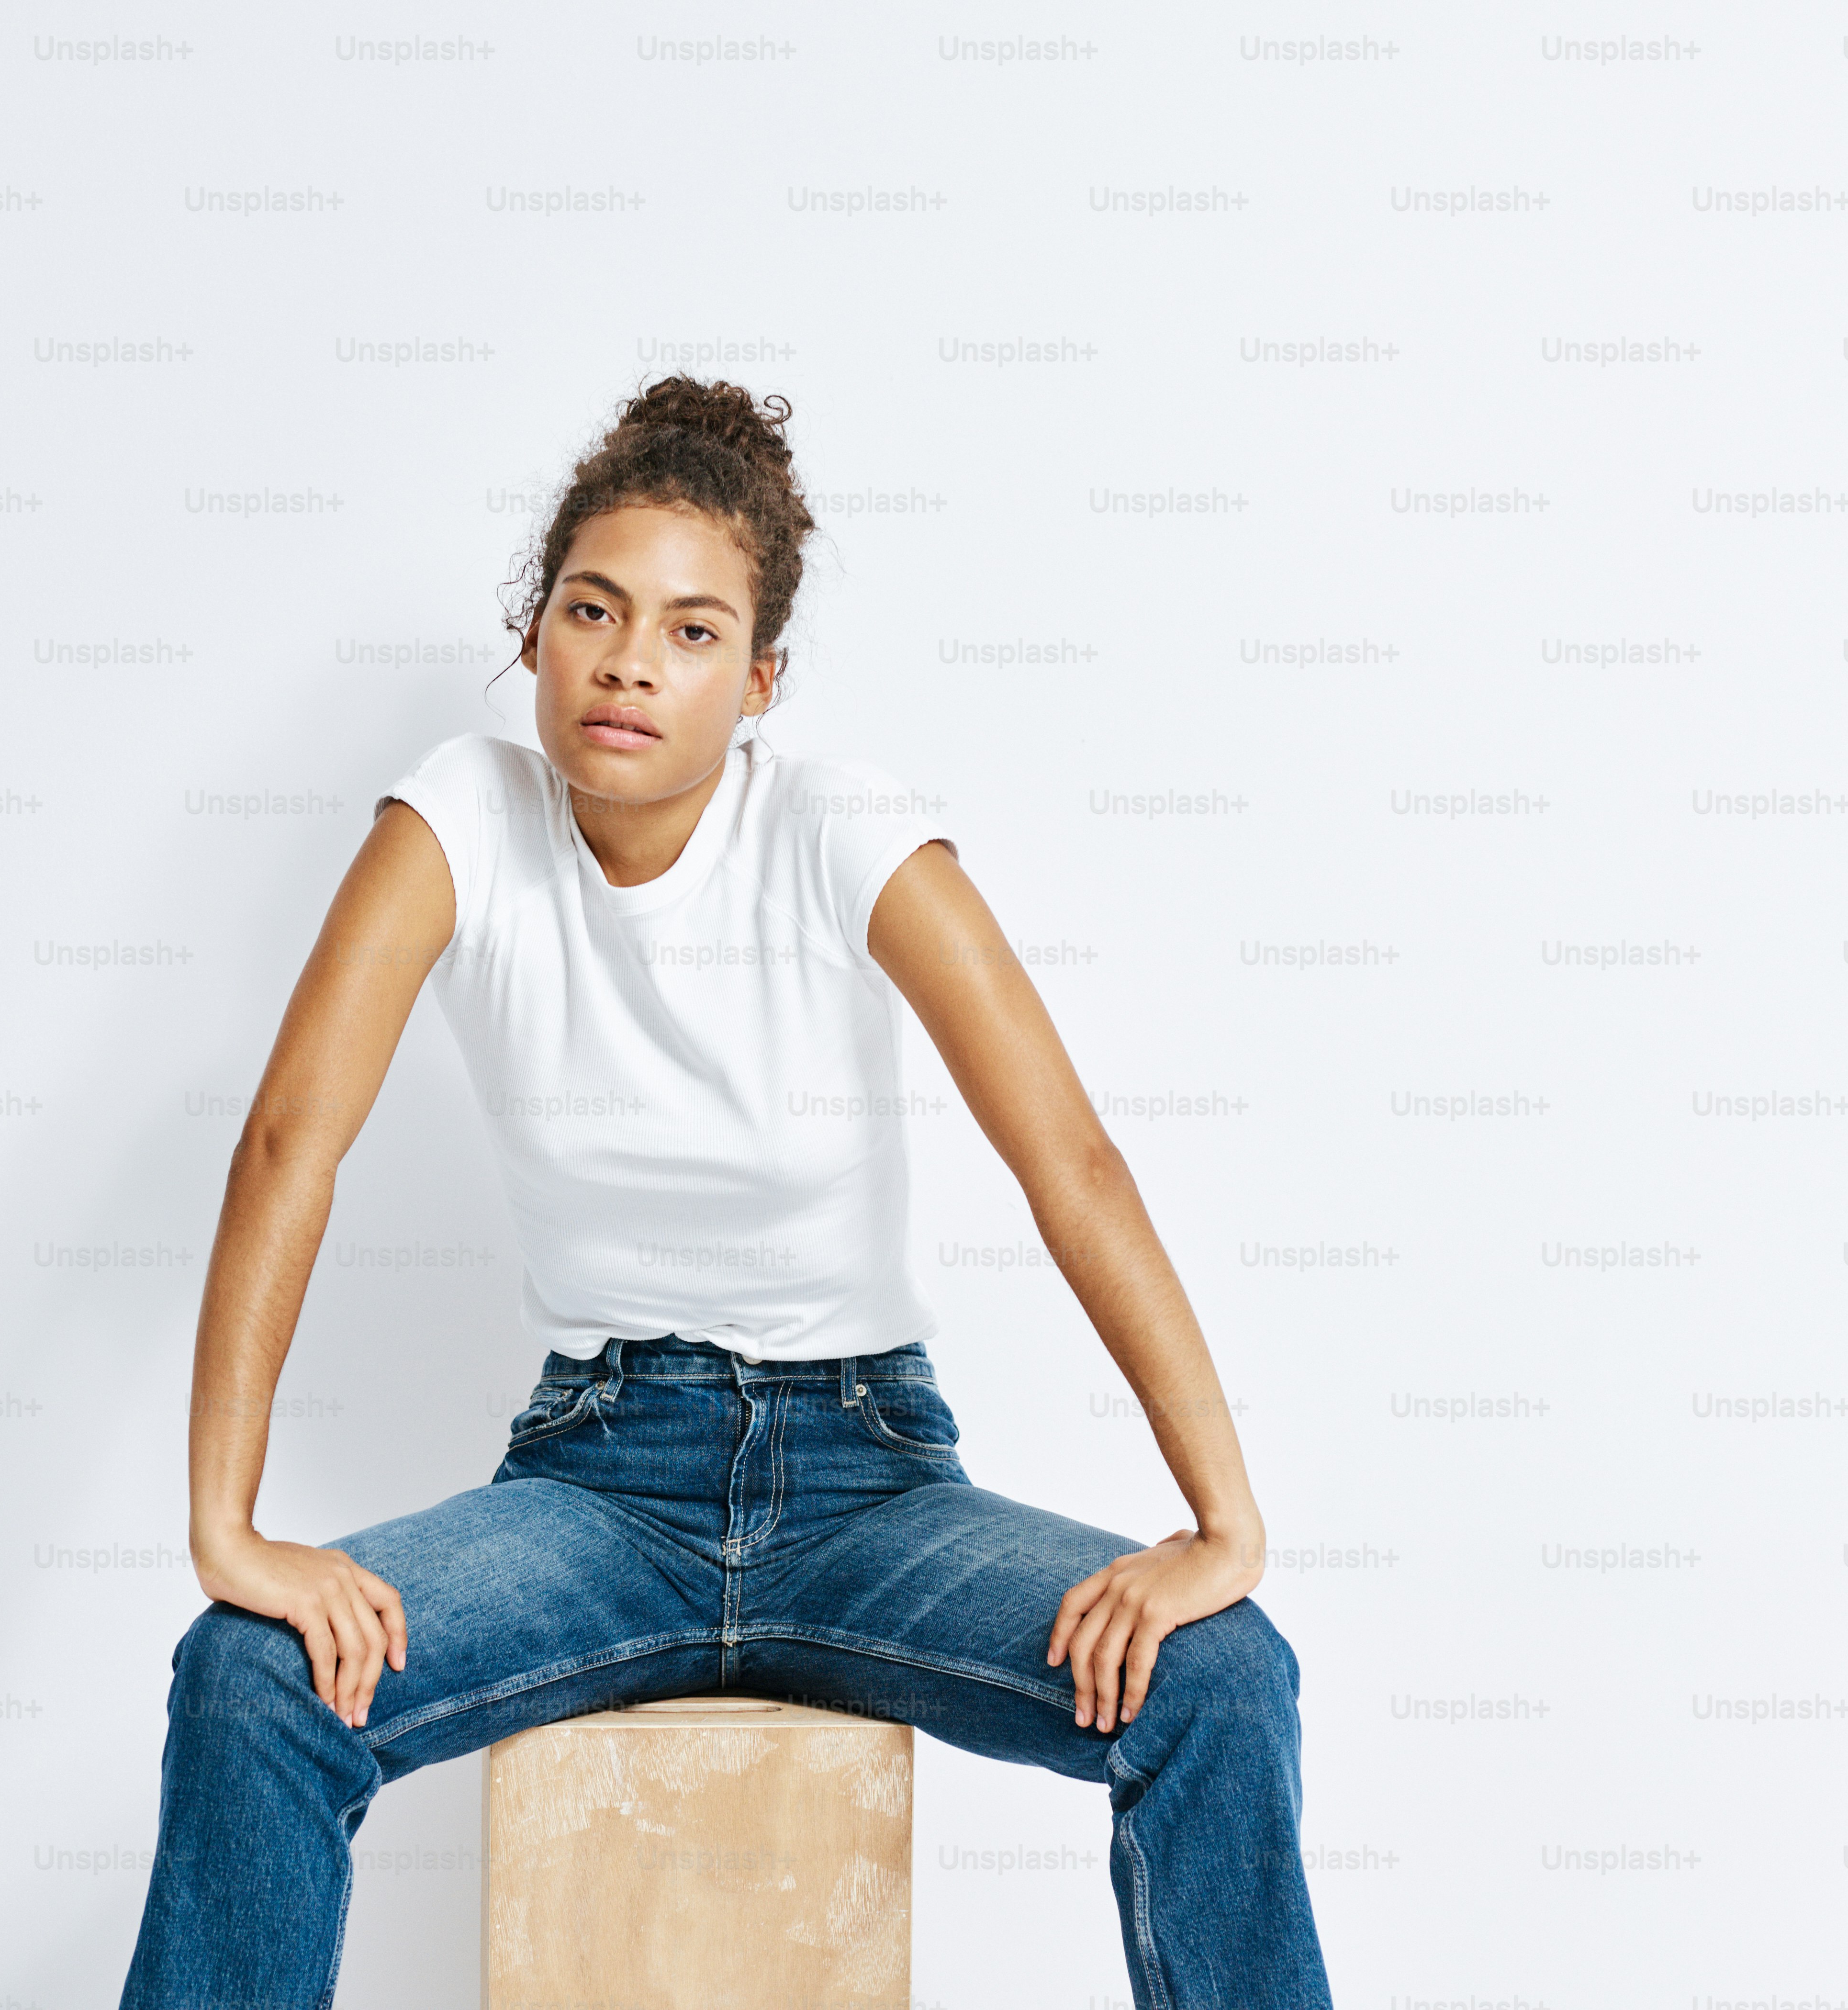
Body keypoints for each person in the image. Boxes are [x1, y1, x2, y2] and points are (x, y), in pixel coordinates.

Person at [116, 377, 1333, 2008]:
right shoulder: (463, 817)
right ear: (534, 634)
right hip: (593, 1492)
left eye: (694, 633)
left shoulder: (841, 831)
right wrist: (227, 1525)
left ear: (761, 683)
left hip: (870, 1491)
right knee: (252, 1679)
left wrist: (1223, 1523)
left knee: (1223, 1676)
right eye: (593, 610)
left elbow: (1072, 1165)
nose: (630, 659)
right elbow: (291, 1144)